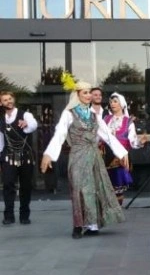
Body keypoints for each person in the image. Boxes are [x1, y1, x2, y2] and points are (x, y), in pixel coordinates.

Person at [40, 75, 128, 239]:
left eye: (90, 93)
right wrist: (49, 154)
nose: (89, 96)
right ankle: (78, 225)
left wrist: (122, 153)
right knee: (79, 189)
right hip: (78, 155)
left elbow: (107, 135)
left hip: (94, 156)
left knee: (94, 188)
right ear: (78, 95)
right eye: (85, 93)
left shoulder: (95, 115)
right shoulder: (69, 114)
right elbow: (60, 134)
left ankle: (92, 225)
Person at [0, 91, 38, 225]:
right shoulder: (1, 120)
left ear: (13, 99)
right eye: (5, 100)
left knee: (26, 186)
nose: (8, 101)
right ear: (1, 103)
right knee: (8, 185)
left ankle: (24, 216)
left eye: (10, 98)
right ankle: (9, 216)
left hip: (25, 156)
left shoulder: (25, 115)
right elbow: (0, 141)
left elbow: (34, 125)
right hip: (8, 157)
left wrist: (27, 124)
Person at [103, 92, 144, 206]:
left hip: (120, 158)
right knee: (105, 184)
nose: (112, 104)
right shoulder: (105, 119)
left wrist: (139, 142)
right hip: (105, 155)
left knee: (118, 184)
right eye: (111, 102)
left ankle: (117, 210)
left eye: (115, 101)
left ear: (122, 104)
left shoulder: (128, 121)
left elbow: (132, 140)